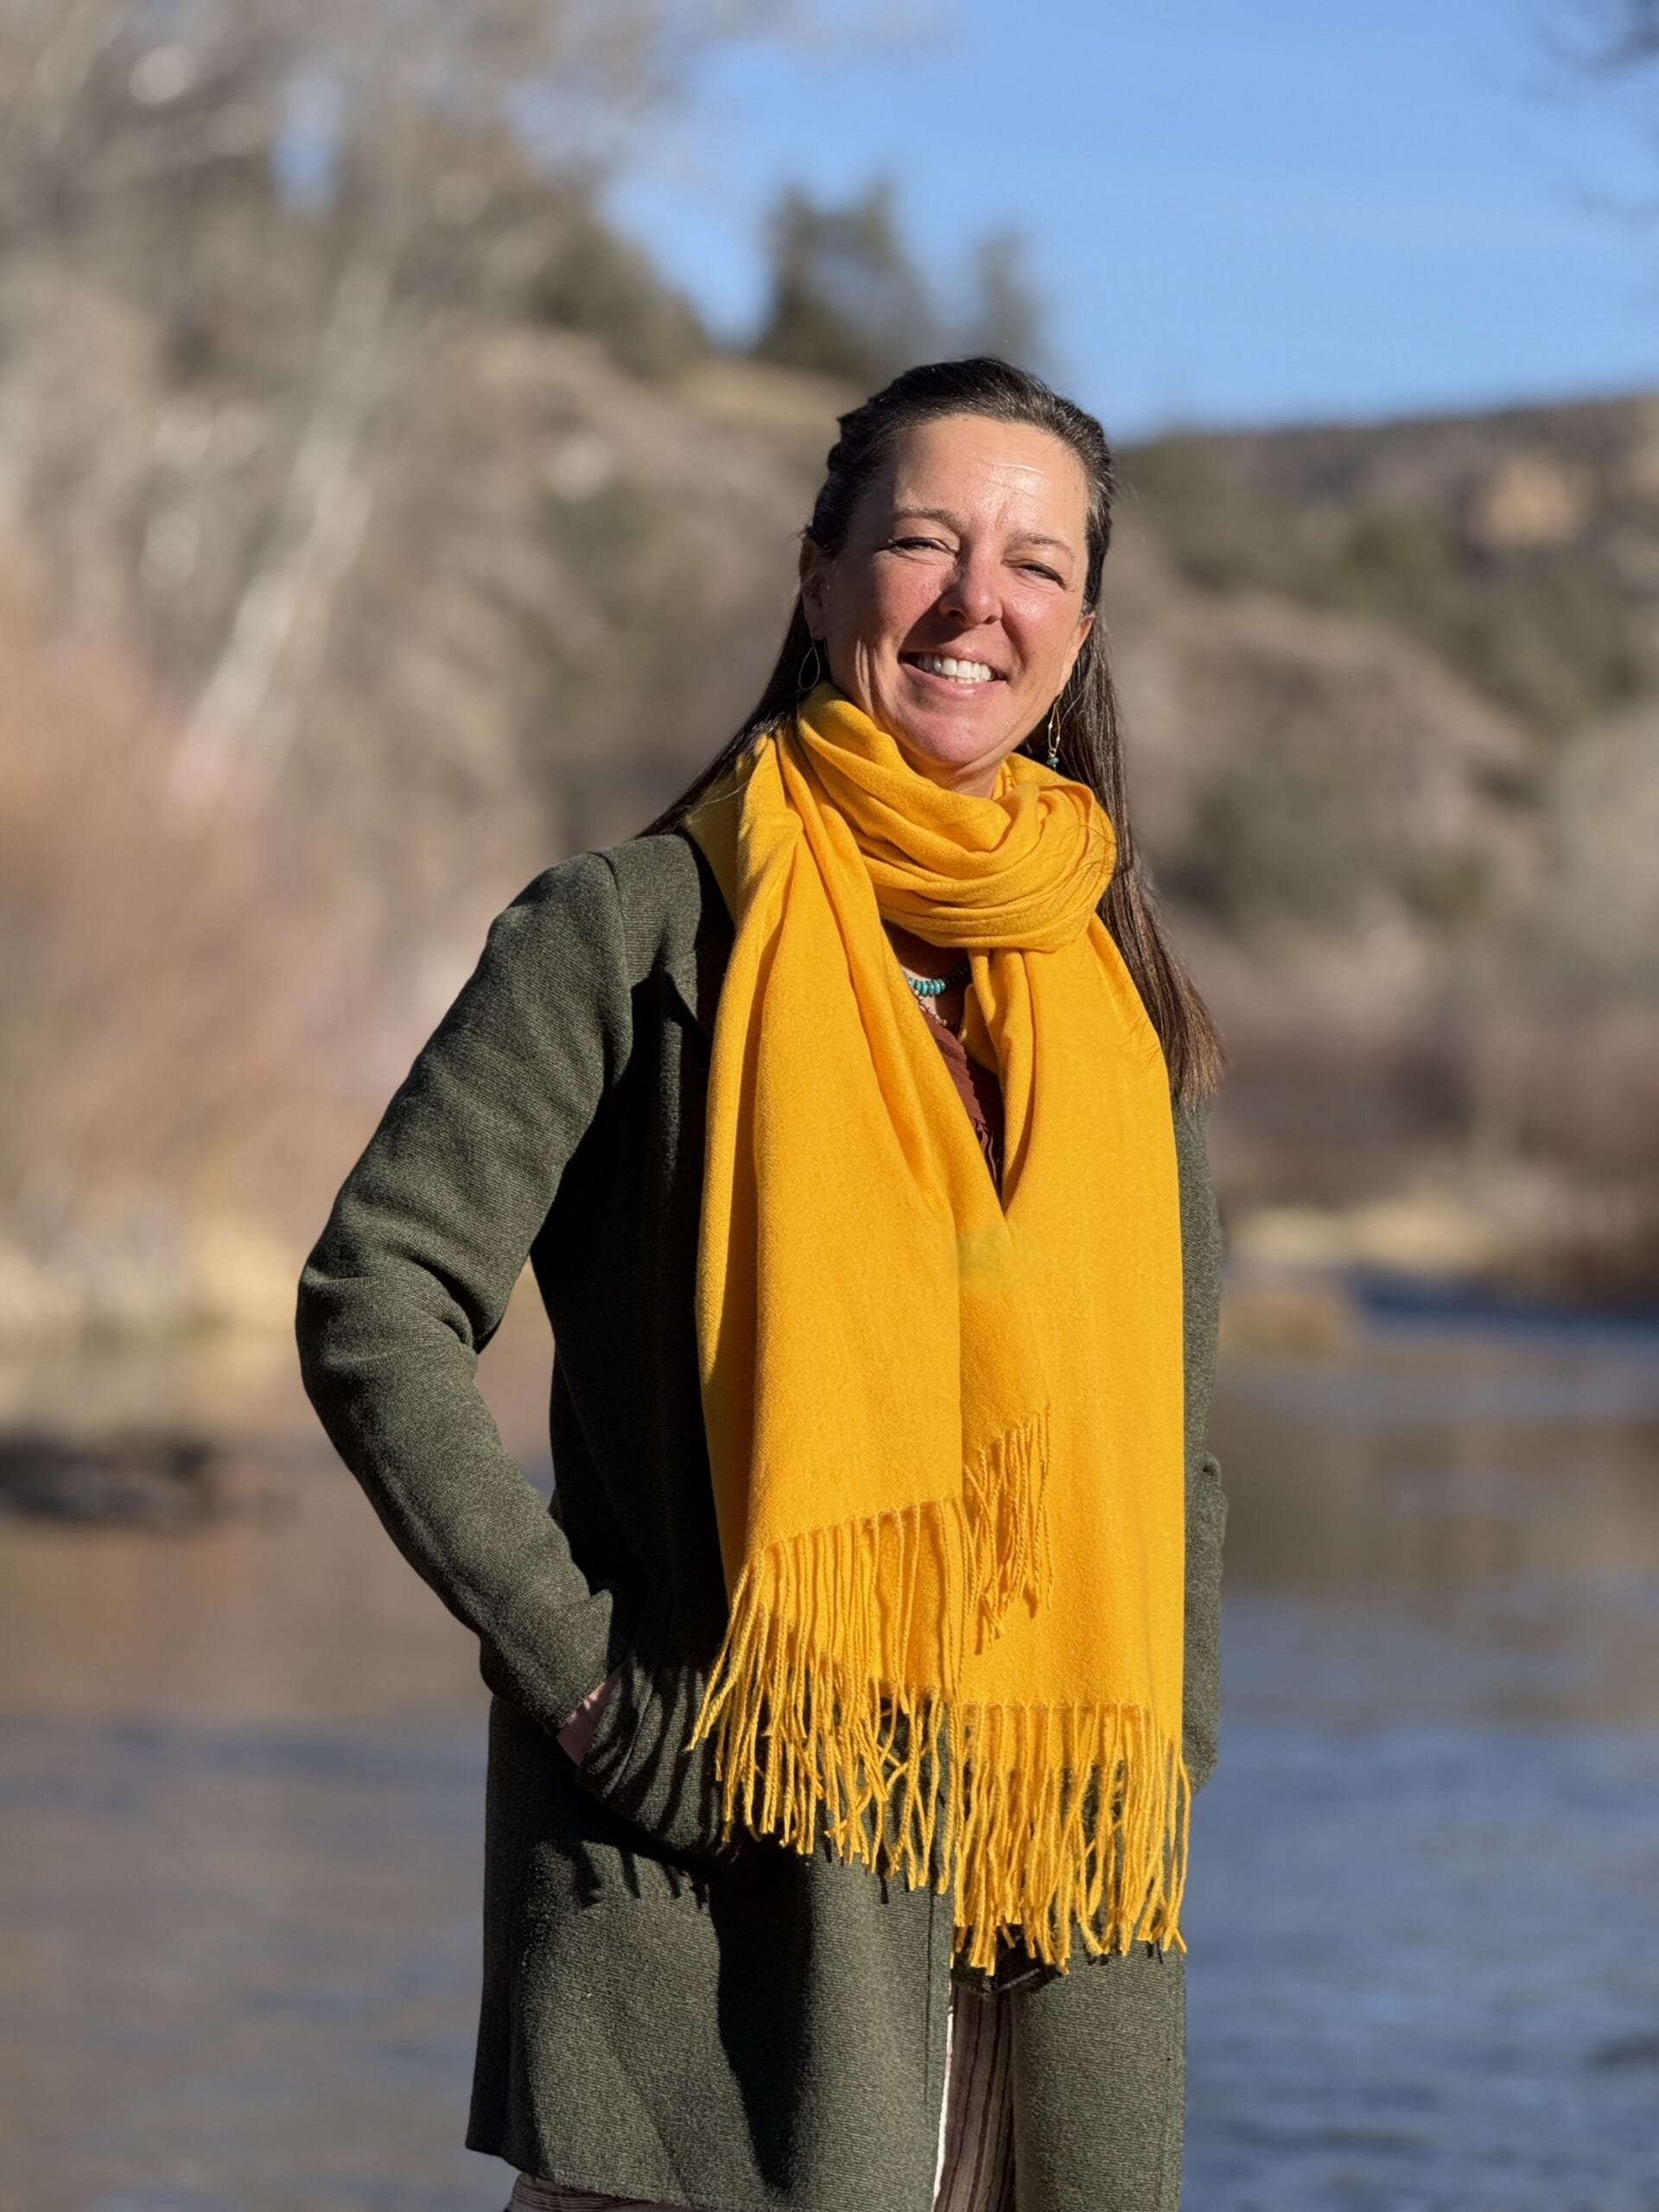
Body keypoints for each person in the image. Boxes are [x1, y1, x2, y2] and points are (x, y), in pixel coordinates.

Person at [296, 356, 1230, 2212]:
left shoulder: (1124, 1010)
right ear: (818, 577)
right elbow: (377, 1298)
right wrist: (591, 1690)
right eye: (926, 543)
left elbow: (1177, 1454)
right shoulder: (633, 933)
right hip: (713, 1936)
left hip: (1044, 1950)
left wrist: (1163, 1757)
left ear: (1080, 635)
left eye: (1038, 566)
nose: (978, 603)